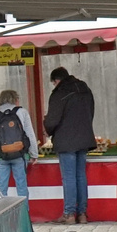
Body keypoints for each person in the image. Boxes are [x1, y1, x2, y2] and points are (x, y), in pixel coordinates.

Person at [44, 66, 97, 223]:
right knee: (81, 175)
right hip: (84, 137)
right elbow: (91, 112)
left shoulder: (59, 93)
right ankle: (82, 214)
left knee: (68, 177)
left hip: (66, 140)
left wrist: (47, 127)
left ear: (56, 80)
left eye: (53, 83)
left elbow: (53, 119)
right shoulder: (84, 88)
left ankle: (69, 214)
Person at [0, 89, 36, 198]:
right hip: (20, 154)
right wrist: (34, 154)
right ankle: (24, 214)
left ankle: (3, 214)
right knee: (21, 186)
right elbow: (30, 134)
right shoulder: (22, 112)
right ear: (15, 100)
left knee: (2, 188)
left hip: (0, 155)